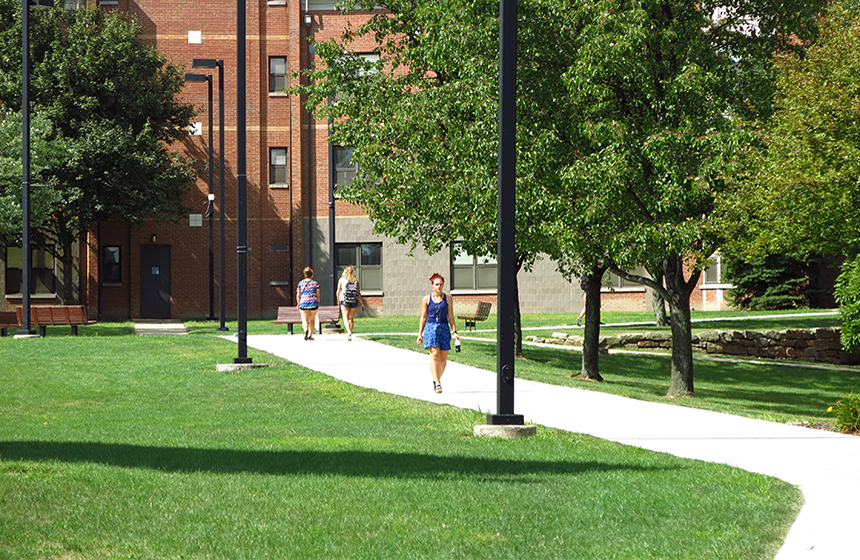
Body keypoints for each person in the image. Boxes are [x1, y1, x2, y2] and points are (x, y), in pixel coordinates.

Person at [416, 272, 460, 394]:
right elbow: (423, 316)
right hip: (430, 328)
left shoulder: (448, 299)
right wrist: (420, 333)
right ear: (432, 285)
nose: (439, 287)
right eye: (436, 284)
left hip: (444, 327)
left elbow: (451, 316)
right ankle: (438, 383)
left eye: (440, 284)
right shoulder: (426, 299)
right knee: (434, 354)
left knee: (443, 359)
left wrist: (454, 330)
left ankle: (436, 380)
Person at [336, 265, 366, 341]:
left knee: (345, 317)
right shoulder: (355, 281)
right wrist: (362, 303)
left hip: (345, 300)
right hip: (354, 301)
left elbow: (338, 292)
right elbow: (358, 293)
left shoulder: (342, 280)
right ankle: (350, 332)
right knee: (351, 319)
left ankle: (349, 332)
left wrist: (338, 301)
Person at [296, 267, 320, 340]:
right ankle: (310, 335)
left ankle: (306, 330)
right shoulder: (315, 283)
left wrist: (298, 303)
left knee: (304, 320)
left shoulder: (300, 283)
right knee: (312, 320)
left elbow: (298, 294)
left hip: (303, 302)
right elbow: (318, 294)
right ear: (312, 275)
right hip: (313, 303)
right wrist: (317, 301)